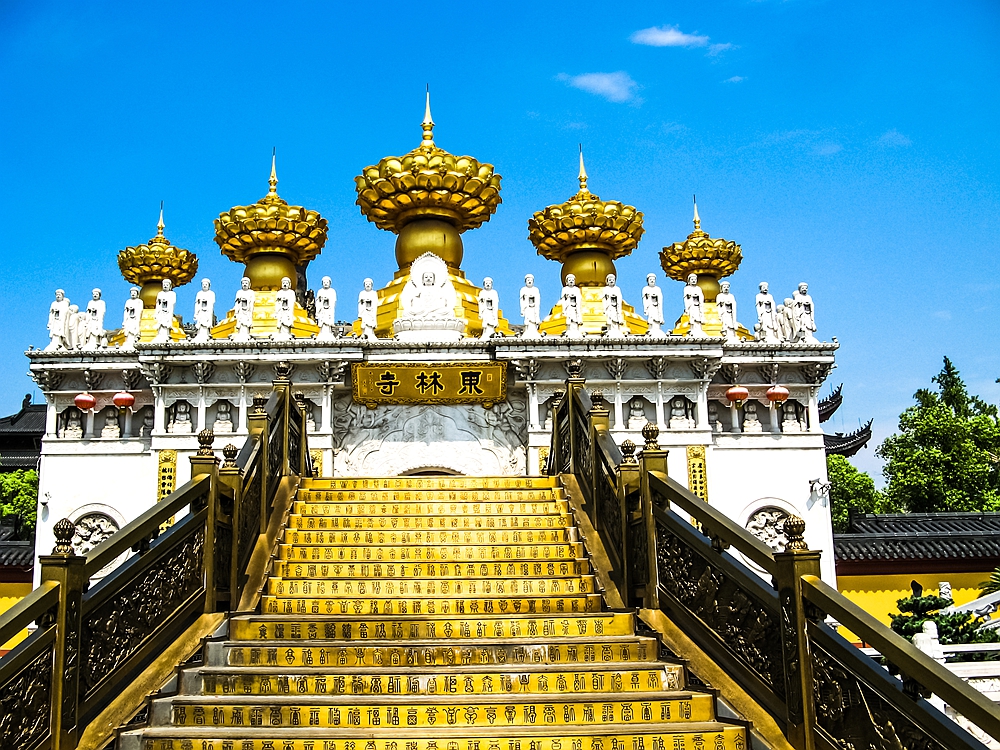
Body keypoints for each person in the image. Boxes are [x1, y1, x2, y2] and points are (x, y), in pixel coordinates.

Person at [602, 273, 626, 337]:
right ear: (607, 281)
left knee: (616, 317)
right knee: (610, 317)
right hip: (609, 306)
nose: (611, 281)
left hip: (615, 306)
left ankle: (616, 329)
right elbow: (604, 298)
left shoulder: (617, 289)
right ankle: (610, 329)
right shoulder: (606, 289)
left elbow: (619, 297)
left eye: (613, 280)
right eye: (610, 280)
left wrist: (615, 296)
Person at [152, 279, 176, 344]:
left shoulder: (172, 294)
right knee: (160, 322)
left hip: (167, 311)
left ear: (170, 286)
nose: (165, 286)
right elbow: (157, 303)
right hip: (161, 310)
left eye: (167, 285)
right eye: (164, 285)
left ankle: (166, 335)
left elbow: (173, 302)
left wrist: (166, 301)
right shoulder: (160, 294)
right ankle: (160, 335)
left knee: (166, 323)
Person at [641, 273, 665, 338]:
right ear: (647, 281)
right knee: (651, 316)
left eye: (653, 279)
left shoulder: (657, 289)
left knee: (657, 316)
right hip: (650, 305)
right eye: (650, 279)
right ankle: (651, 328)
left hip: (656, 305)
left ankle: (657, 328)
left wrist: (656, 297)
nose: (652, 281)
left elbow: (660, 298)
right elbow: (644, 298)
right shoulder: (645, 288)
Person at [232, 277, 255, 342]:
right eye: (243, 283)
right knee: (241, 321)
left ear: (249, 285)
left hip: (247, 311)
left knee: (246, 321)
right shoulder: (239, 292)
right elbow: (237, 303)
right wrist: (236, 312)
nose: (244, 284)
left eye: (246, 283)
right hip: (241, 311)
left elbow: (252, 302)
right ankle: (241, 333)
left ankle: (246, 333)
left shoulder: (251, 292)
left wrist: (247, 300)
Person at [560, 274, 583, 339]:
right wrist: (567, 296)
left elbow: (579, 298)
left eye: (572, 280)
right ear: (566, 282)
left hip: (575, 307)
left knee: (575, 319)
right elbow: (563, 298)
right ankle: (569, 330)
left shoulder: (576, 289)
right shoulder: (565, 289)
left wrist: (575, 297)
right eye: (569, 280)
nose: (571, 281)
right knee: (569, 318)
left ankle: (576, 330)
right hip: (569, 306)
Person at [273, 276, 296, 341]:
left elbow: (292, 301)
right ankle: (281, 333)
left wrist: (287, 300)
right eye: (283, 283)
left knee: (286, 320)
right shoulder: (279, 292)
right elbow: (277, 301)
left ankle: (287, 333)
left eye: (286, 283)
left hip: (287, 309)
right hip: (281, 310)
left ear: (289, 284)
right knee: (281, 320)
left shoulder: (291, 292)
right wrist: (280, 300)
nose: (285, 284)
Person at [315, 276, 338, 341]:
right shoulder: (320, 291)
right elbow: (318, 301)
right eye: (324, 282)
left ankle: (329, 332)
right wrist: (321, 300)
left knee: (328, 321)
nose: (325, 283)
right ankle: (322, 332)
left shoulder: (332, 291)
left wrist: (328, 300)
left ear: (330, 283)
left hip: (329, 310)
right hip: (322, 309)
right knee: (322, 320)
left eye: (327, 282)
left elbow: (333, 301)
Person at [519, 274, 541, 339]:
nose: (529, 281)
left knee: (534, 318)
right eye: (528, 280)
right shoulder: (523, 289)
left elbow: (538, 299)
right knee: (528, 318)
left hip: (534, 307)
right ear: (525, 281)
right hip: (527, 307)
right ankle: (528, 330)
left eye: (531, 280)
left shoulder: (535, 289)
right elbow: (521, 299)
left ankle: (534, 330)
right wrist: (522, 309)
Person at [193, 279, 216, 343]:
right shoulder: (199, 293)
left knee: (206, 322)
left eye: (206, 284)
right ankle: (200, 334)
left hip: (207, 311)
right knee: (200, 322)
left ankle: (206, 334)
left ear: (209, 286)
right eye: (203, 284)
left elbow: (212, 302)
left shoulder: (211, 293)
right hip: (201, 311)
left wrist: (207, 301)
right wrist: (196, 313)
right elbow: (196, 303)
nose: (204, 286)